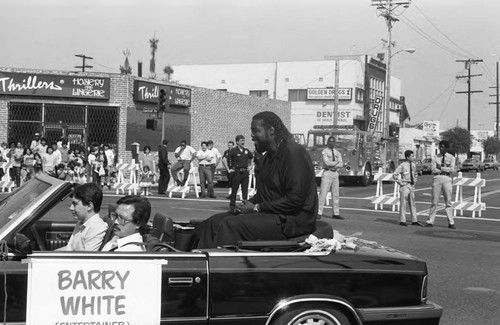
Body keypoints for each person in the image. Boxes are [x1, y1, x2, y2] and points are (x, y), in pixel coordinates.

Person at [193, 111, 318, 249]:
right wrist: (248, 205)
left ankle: (221, 267)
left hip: (293, 221)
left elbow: (295, 199)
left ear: (271, 131)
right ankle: (195, 263)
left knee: (230, 226)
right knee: (214, 222)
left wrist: (256, 208)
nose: (251, 136)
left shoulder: (294, 154)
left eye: (255, 131)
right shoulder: (269, 157)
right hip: (273, 214)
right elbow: (266, 195)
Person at [57, 183, 108, 251]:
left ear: (89, 206)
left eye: (75, 204)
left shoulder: (97, 228)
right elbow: (69, 249)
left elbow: (86, 258)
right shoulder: (81, 224)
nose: (71, 208)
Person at [425, 140, 457, 229]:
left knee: (448, 201)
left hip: (447, 178)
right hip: (437, 178)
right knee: (434, 201)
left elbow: (452, 169)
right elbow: (433, 169)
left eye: (442, 147)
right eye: (440, 147)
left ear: (446, 148)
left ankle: (451, 222)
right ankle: (430, 221)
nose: (441, 148)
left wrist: (441, 168)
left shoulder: (451, 157)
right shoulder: (435, 157)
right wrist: (444, 169)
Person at [393, 150, 422, 226]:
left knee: (413, 203)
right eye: (412, 156)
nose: (413, 157)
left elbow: (415, 174)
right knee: (403, 203)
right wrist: (401, 183)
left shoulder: (413, 165)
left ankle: (414, 220)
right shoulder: (402, 165)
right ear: (407, 157)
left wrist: (415, 182)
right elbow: (395, 174)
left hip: (411, 185)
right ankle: (402, 220)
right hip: (405, 185)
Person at [317, 136, 343, 220]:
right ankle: (319, 212)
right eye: (330, 141)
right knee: (323, 194)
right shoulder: (325, 151)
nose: (331, 143)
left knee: (336, 195)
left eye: (333, 141)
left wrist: (335, 164)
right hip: (327, 173)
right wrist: (336, 163)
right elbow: (326, 163)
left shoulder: (337, 152)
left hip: (335, 174)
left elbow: (341, 164)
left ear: (334, 143)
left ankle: (336, 213)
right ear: (328, 142)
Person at [227, 135, 254, 213]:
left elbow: (252, 158)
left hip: (245, 172)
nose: (243, 142)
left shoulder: (246, 150)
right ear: (237, 142)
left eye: (244, 140)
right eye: (241, 141)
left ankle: (245, 206)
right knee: (234, 189)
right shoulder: (233, 151)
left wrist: (250, 166)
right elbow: (224, 159)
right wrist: (229, 169)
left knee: (245, 190)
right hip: (237, 172)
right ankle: (232, 206)